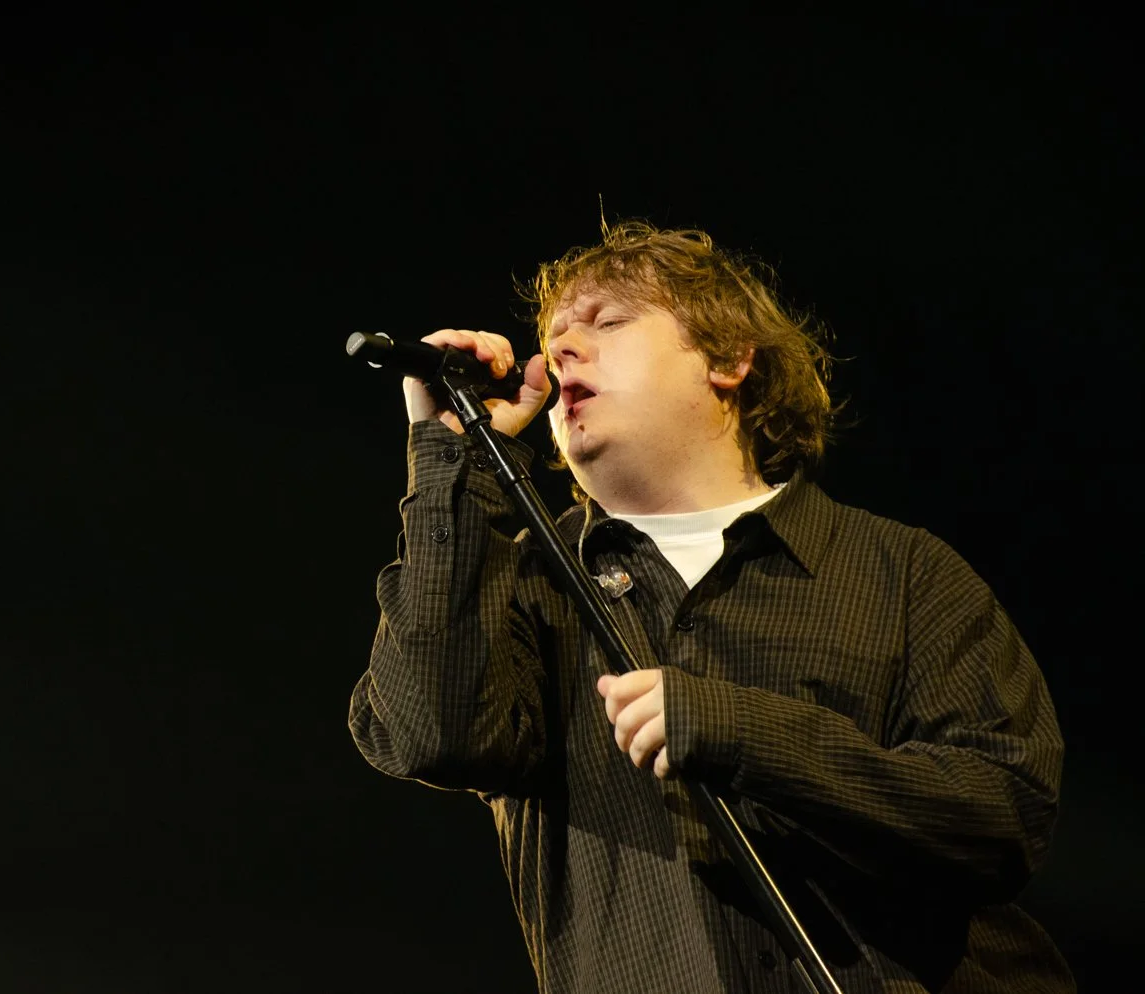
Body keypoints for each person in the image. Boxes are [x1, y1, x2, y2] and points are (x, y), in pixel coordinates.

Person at [346, 220, 1074, 993]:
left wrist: (737, 730)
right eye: (553, 343)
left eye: (608, 323)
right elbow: (430, 736)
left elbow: (1003, 817)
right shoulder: (521, 585)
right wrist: (452, 453)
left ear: (728, 360)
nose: (562, 353)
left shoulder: (905, 573)